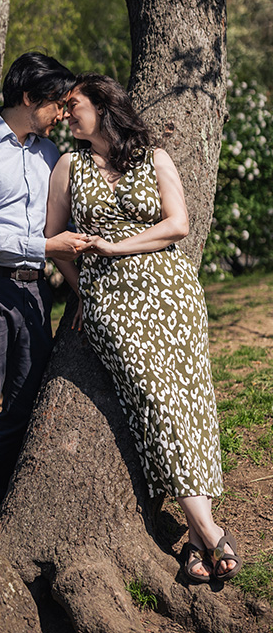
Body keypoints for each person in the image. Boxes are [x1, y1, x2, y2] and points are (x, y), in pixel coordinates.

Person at [45, 73, 240, 584]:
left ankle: (197, 541)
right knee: (153, 400)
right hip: (110, 300)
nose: (66, 114)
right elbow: (55, 236)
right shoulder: (69, 165)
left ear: (103, 107)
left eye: (74, 104)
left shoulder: (154, 157)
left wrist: (118, 246)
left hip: (171, 293)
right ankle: (212, 529)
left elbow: (177, 224)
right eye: (63, 107)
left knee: (187, 403)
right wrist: (84, 289)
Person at [0, 52, 86, 522]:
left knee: (25, 403)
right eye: (57, 103)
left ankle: (5, 515)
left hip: (35, 291)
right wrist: (40, 244)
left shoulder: (50, 154)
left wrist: (80, 287)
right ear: (27, 96)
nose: (63, 113)